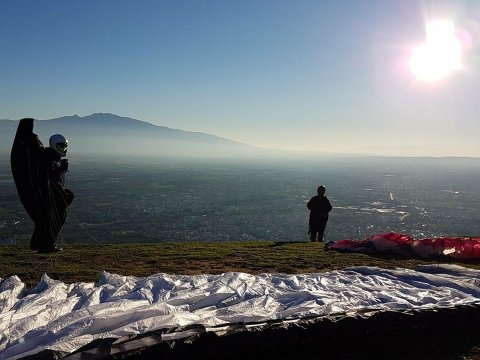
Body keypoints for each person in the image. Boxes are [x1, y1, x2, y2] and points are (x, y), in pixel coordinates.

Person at [11, 118, 74, 253]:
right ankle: (44, 245)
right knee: (49, 219)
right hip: (40, 196)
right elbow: (44, 175)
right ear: (53, 145)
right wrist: (60, 169)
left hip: (44, 196)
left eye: (65, 146)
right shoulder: (46, 157)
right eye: (61, 146)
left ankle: (39, 244)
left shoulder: (49, 157)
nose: (64, 149)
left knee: (48, 220)